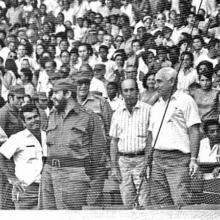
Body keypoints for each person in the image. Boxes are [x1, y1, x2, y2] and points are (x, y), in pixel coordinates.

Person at [38, 78, 106, 209]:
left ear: (68, 94)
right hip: (48, 172)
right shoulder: (52, 115)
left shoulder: (88, 117)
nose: (52, 97)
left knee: (69, 215)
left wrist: (88, 180)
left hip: (73, 174)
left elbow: (98, 153)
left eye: (56, 93)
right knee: (47, 215)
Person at [146, 67, 201, 207]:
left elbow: (194, 131)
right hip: (157, 159)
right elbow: (150, 136)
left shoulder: (186, 100)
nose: (155, 85)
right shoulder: (155, 106)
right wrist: (148, 161)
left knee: (180, 202)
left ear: (171, 81)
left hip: (178, 160)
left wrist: (194, 159)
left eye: (159, 81)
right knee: (160, 203)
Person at [110, 78, 151, 208]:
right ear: (121, 93)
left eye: (132, 89)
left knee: (144, 201)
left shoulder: (148, 110)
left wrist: (148, 162)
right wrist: (114, 166)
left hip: (141, 159)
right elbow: (114, 141)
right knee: (127, 200)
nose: (129, 93)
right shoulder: (117, 113)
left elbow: (151, 138)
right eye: (125, 90)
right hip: (123, 161)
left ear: (137, 91)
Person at [75, 65, 113, 206]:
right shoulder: (70, 104)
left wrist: (108, 156)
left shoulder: (101, 102)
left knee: (92, 201)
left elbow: (110, 132)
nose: (83, 86)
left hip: (97, 159)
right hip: (77, 160)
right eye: (80, 83)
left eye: (86, 83)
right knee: (77, 200)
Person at [0, 104, 46, 209]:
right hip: (26, 191)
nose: (34, 120)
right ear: (24, 122)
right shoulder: (18, 138)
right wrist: (12, 178)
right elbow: (1, 156)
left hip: (46, 189)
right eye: (29, 118)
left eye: (36, 116)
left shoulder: (48, 136)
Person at [0, 85, 25, 209]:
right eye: (19, 98)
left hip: (15, 161)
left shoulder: (17, 112)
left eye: (23, 98)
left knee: (14, 197)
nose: (22, 101)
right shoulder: (3, 113)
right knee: (5, 200)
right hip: (5, 163)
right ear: (10, 98)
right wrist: (8, 173)